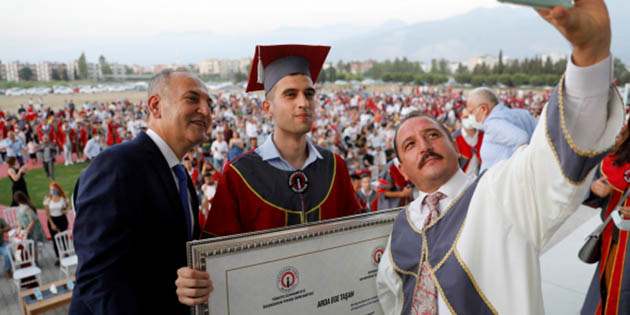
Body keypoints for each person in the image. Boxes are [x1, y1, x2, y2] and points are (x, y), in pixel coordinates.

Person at [376, 3, 621, 314]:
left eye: (433, 135)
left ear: (456, 144)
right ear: (402, 170)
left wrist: (589, 54)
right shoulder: (403, 224)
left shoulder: (499, 191)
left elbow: (555, 157)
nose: (424, 145)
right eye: (409, 144)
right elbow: (392, 298)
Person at [175, 44, 361, 306]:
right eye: (290, 94)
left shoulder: (335, 167)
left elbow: (356, 240)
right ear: (267, 108)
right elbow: (217, 258)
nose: (303, 103)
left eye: (309, 94)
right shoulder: (239, 174)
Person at [69, 69, 212, 314]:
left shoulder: (181, 176)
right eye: (192, 99)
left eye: (210, 104)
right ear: (155, 106)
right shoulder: (117, 165)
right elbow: (98, 277)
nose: (206, 111)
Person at [581, 118, 630, 314]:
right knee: (610, 295)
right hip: (615, 244)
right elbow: (592, 189)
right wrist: (594, 189)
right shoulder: (615, 158)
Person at [466, 86, 538, 173]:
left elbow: (521, 138)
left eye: (471, 112)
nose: (470, 116)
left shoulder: (493, 123)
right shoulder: (521, 113)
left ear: (483, 109)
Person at [43, 181, 70, 265]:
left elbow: (68, 207)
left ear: (58, 189)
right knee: (55, 239)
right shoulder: (48, 199)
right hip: (52, 220)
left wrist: (65, 210)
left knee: (64, 237)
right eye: (51, 190)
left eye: (54, 189)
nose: (52, 191)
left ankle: (66, 253)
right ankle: (58, 257)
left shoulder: (63, 198)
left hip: (62, 219)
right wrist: (52, 224)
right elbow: (47, 213)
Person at [452, 108, 484, 176]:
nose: (469, 119)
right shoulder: (454, 138)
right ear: (461, 119)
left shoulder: (484, 136)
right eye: (466, 117)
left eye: (471, 116)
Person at [15, 191, 46, 260]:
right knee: (28, 246)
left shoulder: (26, 208)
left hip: (33, 230)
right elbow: (19, 220)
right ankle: (30, 260)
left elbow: (33, 220)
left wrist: (27, 230)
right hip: (27, 230)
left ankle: (35, 261)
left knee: (33, 245)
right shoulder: (20, 208)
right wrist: (20, 231)